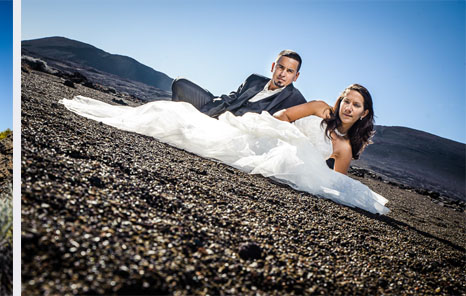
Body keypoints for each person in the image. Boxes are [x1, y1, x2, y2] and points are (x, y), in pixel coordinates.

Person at [60, 84, 389, 215]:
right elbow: (285, 115)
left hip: (284, 158)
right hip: (271, 136)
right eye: (346, 100)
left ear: (364, 113)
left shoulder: (343, 147)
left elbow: (334, 183)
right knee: (192, 127)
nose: (348, 106)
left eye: (355, 104)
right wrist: (283, 133)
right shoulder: (319, 108)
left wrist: (299, 153)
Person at [172, 50, 307, 117]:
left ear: (296, 76)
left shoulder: (295, 99)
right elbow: (231, 98)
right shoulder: (254, 79)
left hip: (236, 131)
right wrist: (207, 111)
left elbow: (317, 119)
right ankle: (177, 121)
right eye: (280, 67)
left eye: (289, 71)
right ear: (273, 67)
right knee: (180, 83)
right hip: (218, 111)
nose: (283, 74)